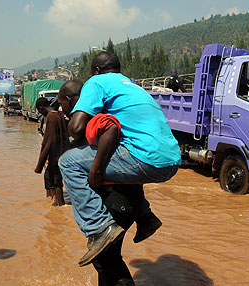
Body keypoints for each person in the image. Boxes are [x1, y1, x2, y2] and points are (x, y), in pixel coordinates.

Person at [58, 52, 181, 264]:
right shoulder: (133, 87)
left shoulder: (96, 82)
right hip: (170, 160)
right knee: (125, 154)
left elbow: (76, 128)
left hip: (144, 158)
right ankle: (145, 216)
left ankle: (98, 228)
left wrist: (77, 114)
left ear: (94, 71)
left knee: (68, 162)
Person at [34, 97, 70, 206]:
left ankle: (60, 205)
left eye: (39, 111)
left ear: (41, 108)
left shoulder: (51, 117)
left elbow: (48, 140)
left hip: (55, 155)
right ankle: (53, 204)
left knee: (56, 182)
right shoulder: (59, 114)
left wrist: (41, 162)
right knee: (50, 178)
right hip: (63, 152)